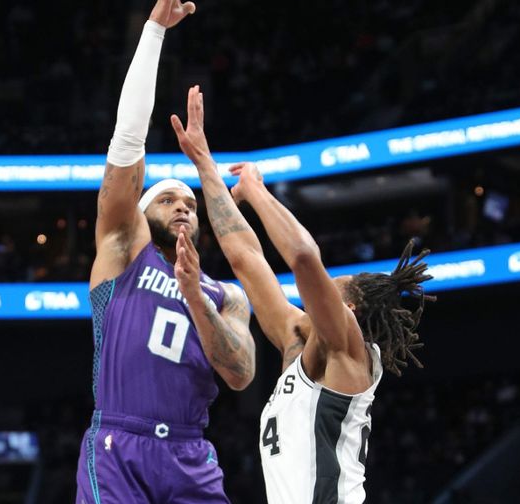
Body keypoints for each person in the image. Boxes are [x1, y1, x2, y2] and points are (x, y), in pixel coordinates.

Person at [171, 87, 435, 504]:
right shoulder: (297, 340)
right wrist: (204, 162)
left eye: (333, 286)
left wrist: (255, 189)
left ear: (348, 308)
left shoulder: (348, 345)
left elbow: (304, 257)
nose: (317, 291)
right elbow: (245, 258)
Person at [75, 0, 255, 504]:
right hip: (118, 445)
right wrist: (154, 30)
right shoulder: (123, 250)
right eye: (168, 198)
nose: (183, 206)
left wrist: (194, 299)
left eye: (191, 203)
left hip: (191, 454)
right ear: (143, 211)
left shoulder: (226, 296)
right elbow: (127, 144)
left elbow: (241, 374)